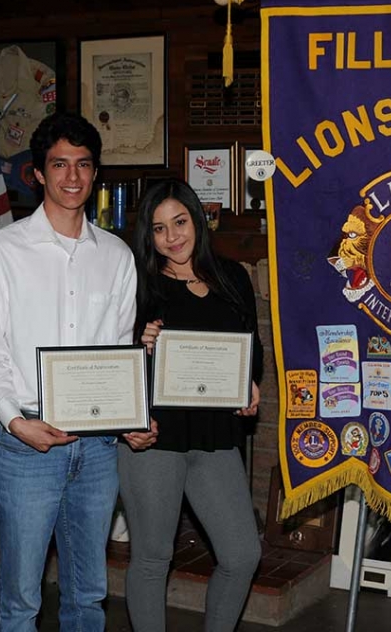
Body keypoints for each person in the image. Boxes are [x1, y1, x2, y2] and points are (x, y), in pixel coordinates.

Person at [0, 111, 157, 630]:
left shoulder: (117, 256)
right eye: (59, 165)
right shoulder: (1, 250)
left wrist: (131, 416)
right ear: (38, 173)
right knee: (20, 601)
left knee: (89, 596)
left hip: (96, 450)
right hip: (26, 443)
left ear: (95, 175)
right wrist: (14, 420)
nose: (72, 177)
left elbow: (119, 350)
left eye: (83, 165)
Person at [119, 178, 263, 632]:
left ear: (197, 220)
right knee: (152, 557)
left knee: (242, 554)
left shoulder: (233, 277)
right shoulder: (138, 284)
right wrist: (138, 346)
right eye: (159, 229)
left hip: (216, 438)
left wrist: (250, 386)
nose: (172, 237)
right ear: (150, 237)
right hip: (154, 439)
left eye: (179, 222)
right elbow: (110, 362)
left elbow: (250, 350)